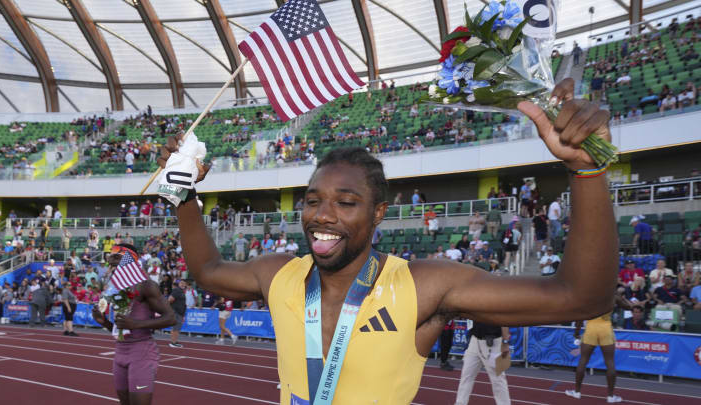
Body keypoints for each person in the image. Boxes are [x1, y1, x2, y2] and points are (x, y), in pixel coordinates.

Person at [156, 78, 619, 404]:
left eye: (345, 202)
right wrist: (182, 192)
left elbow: (581, 296)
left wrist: (587, 170)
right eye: (313, 199)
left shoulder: (423, 285)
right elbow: (208, 272)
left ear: (378, 213)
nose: (322, 214)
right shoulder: (279, 273)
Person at [91, 243, 177, 405]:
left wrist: (135, 324)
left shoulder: (146, 285)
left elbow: (171, 318)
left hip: (142, 353)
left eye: (117, 255)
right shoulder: (115, 286)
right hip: (120, 351)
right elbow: (122, 327)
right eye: (110, 255)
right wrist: (105, 322)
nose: (111, 258)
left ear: (131, 259)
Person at [565, 311, 623, 403]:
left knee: (583, 360)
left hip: (591, 329)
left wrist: (576, 332)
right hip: (606, 329)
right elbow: (627, 306)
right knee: (610, 362)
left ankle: (577, 392)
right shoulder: (611, 296)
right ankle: (610, 397)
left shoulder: (590, 297)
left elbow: (580, 317)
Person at [454, 321, 511, 405]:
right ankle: (460, 403)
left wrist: (505, 342)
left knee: (498, 379)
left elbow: (504, 320)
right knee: (466, 375)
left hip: (494, 344)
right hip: (474, 341)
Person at [168, 279, 187, 348]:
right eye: (181, 283)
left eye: (184, 283)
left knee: (177, 328)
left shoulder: (182, 291)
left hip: (180, 313)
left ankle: (174, 341)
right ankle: (173, 342)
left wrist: (183, 315)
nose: (182, 284)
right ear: (179, 284)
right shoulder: (177, 290)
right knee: (176, 328)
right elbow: (170, 299)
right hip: (176, 312)